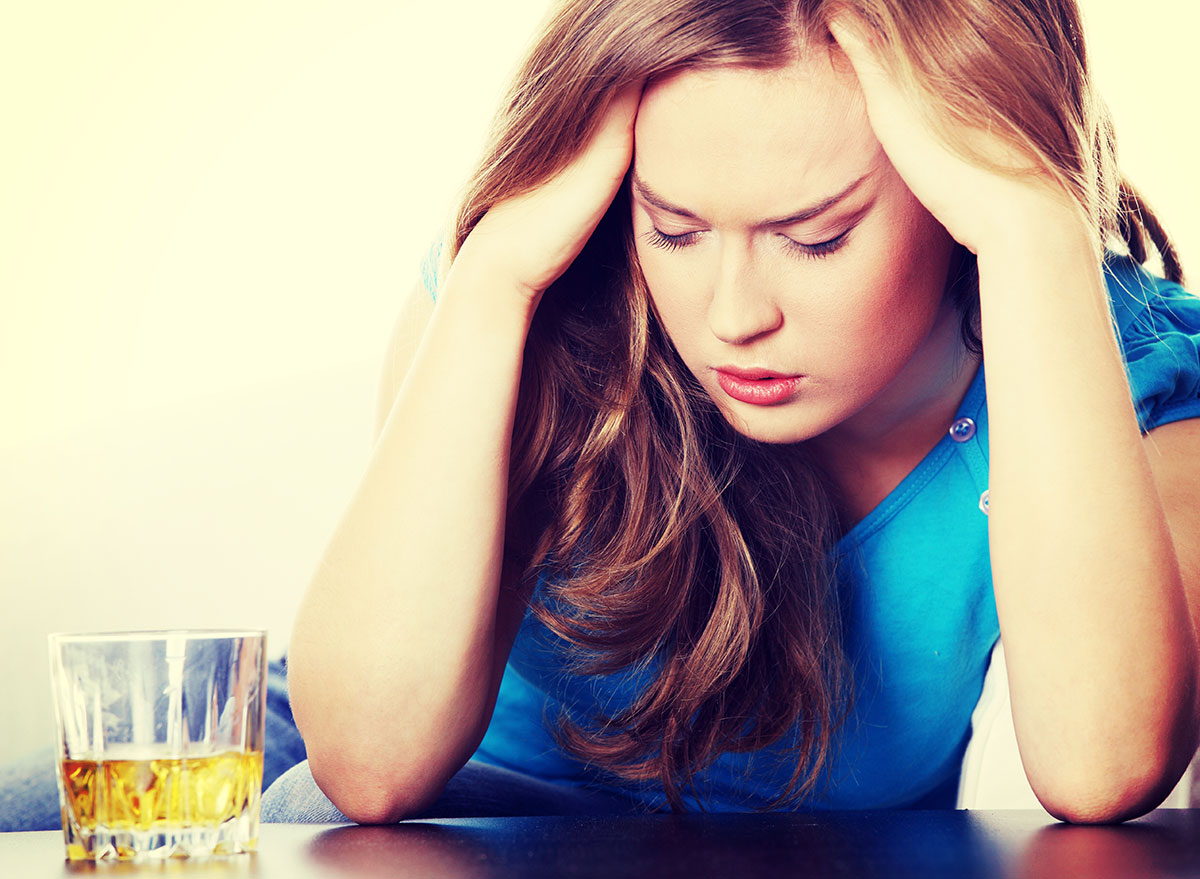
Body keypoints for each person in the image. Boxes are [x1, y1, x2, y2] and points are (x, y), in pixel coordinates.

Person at [3, 0, 1197, 830]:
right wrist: (496, 275)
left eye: (816, 236)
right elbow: (366, 763)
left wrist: (1038, 229)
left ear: (959, 196)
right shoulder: (528, 294)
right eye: (673, 228)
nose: (733, 312)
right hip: (370, 803)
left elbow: (1107, 770)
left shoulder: (1129, 373)